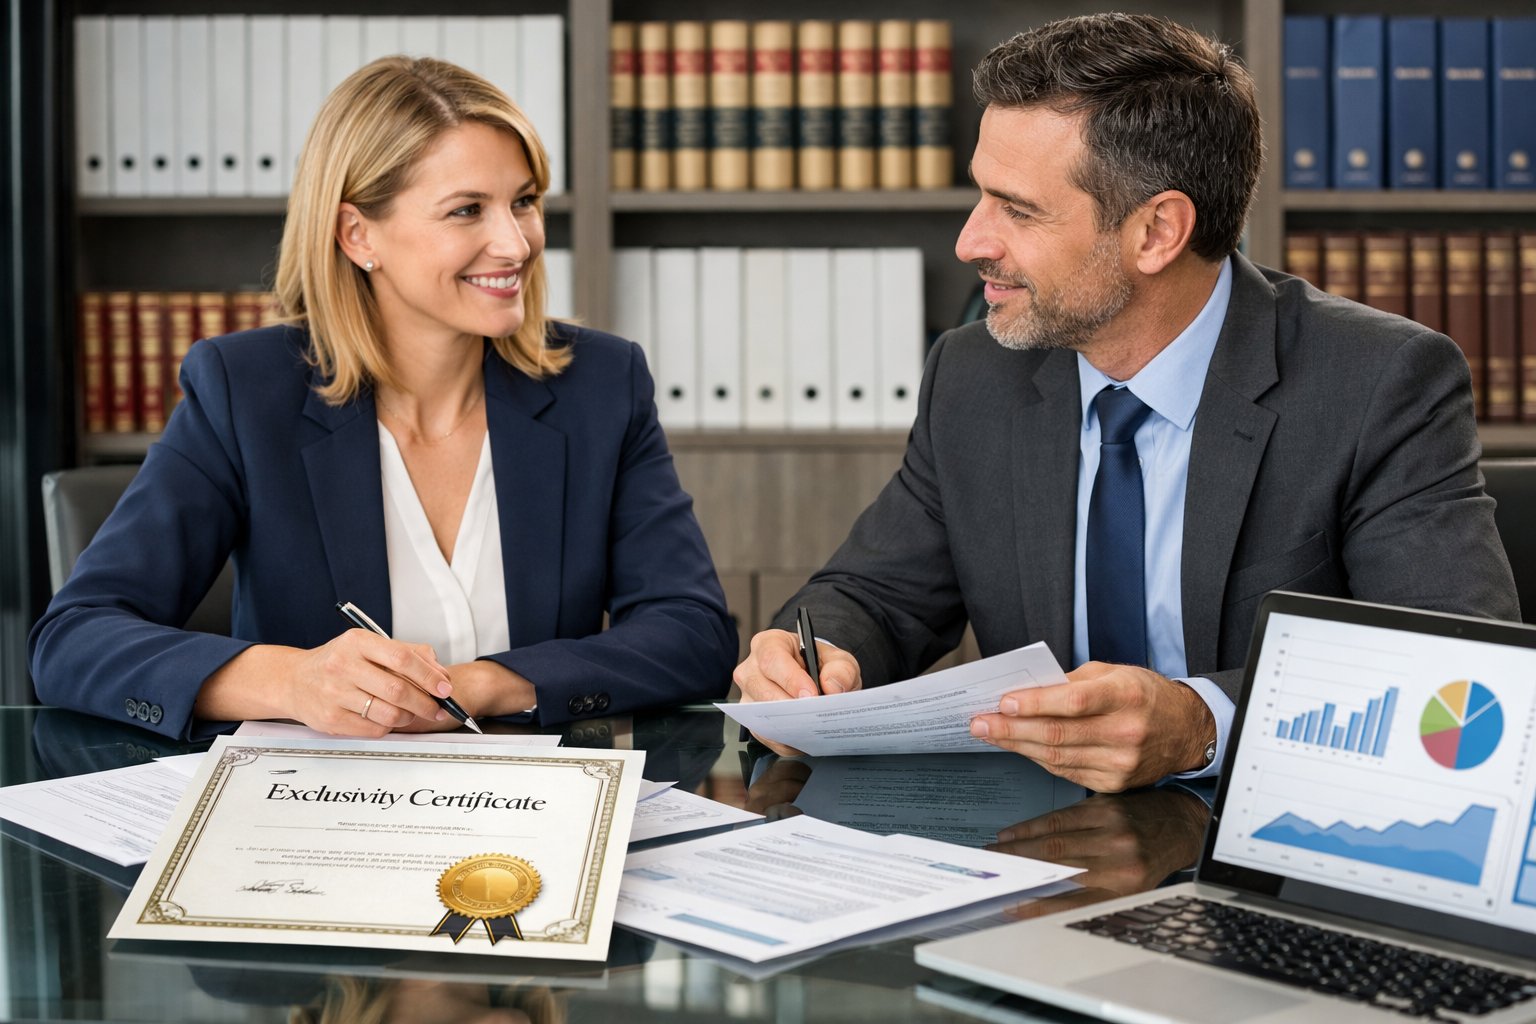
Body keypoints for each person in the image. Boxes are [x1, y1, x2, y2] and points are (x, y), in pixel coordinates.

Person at [732, 14, 1518, 792]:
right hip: (1034, 840)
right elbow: (876, 595)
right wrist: (815, 658)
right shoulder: (973, 374)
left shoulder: (1378, 382)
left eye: (1018, 209)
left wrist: (1201, 723)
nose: (971, 242)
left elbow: (1459, 675)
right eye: (981, 196)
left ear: (1157, 232)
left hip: (1273, 830)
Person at [30, 56, 735, 739]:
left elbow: (693, 633)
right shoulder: (244, 391)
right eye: (467, 210)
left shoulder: (601, 384)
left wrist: (486, 684)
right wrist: (292, 681)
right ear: (357, 234)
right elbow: (74, 640)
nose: (516, 243)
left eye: (524, 202)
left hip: (538, 805)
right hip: (314, 805)